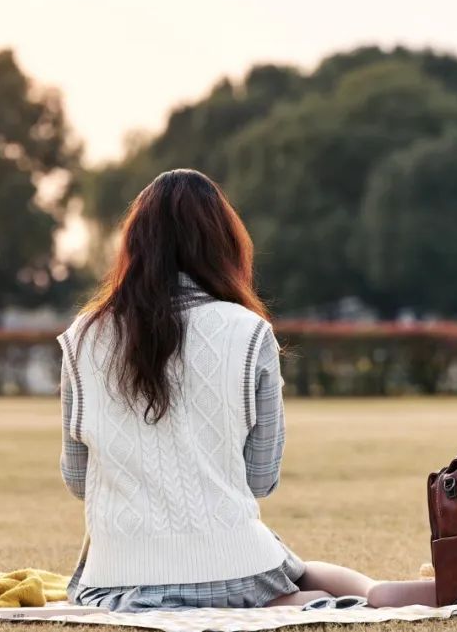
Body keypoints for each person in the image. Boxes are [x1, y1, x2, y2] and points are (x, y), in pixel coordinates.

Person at [57, 169, 435, 611]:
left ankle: (295, 601)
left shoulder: (82, 337)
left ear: (134, 244)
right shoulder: (250, 331)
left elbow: (78, 481)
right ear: (223, 244)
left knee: (267, 580)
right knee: (287, 567)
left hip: (119, 574)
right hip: (234, 559)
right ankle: (368, 590)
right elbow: (261, 477)